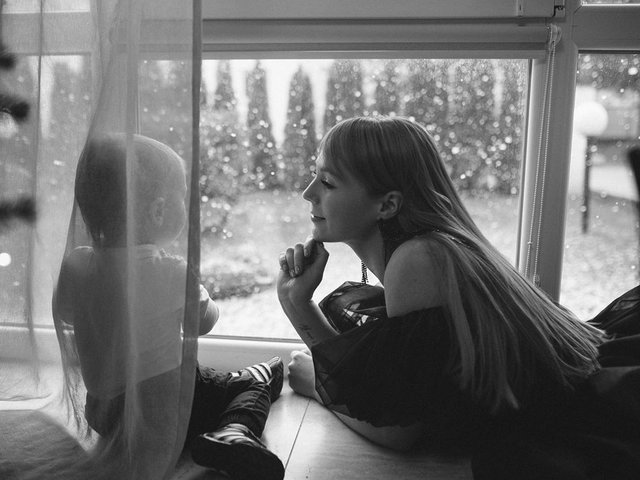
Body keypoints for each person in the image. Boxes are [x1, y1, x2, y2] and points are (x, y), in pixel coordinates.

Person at [277, 116, 640, 479]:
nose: (308, 192)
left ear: (387, 205)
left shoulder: (417, 260)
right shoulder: (425, 248)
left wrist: (309, 346)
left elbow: (397, 430)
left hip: (585, 420)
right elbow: (390, 390)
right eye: (315, 176)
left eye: (327, 182)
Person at [53, 133, 285, 480]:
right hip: (165, 415)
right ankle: (235, 431)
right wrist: (200, 294)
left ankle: (237, 384)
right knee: (256, 385)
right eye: (183, 197)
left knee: (211, 377)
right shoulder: (172, 271)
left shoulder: (77, 264)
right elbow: (203, 323)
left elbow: (66, 314)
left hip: (104, 414)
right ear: (159, 210)